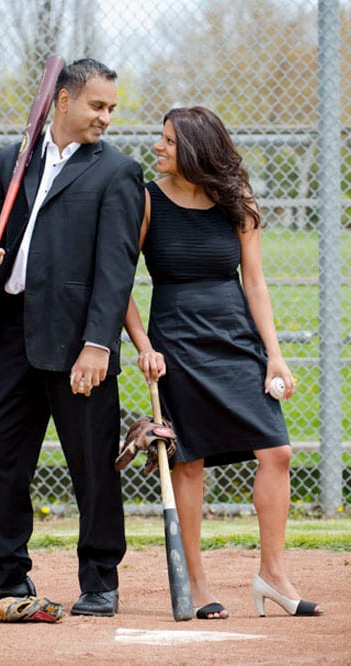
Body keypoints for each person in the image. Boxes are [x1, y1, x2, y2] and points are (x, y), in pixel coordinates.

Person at [0, 58, 144, 618]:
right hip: (15, 326)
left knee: (93, 463)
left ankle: (100, 580)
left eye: (111, 108)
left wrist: (99, 343)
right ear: (63, 102)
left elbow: (116, 268)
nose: (105, 117)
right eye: (96, 106)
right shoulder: (14, 159)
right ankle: (7, 576)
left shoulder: (117, 172)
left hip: (79, 338)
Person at [124, 106, 322, 619]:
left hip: (236, 338)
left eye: (168, 141)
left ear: (193, 148)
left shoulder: (237, 202)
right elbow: (119, 284)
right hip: (177, 344)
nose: (158, 148)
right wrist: (144, 345)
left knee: (276, 451)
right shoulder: (146, 200)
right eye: (160, 139)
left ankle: (273, 575)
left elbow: (254, 282)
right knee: (189, 463)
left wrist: (273, 355)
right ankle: (196, 579)